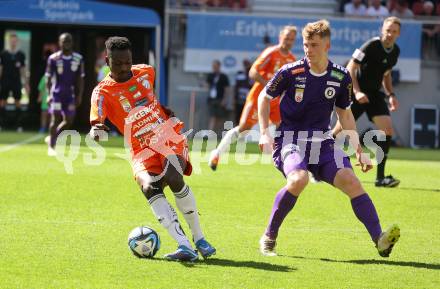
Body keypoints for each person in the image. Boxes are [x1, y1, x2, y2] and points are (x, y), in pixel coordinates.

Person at [257, 20, 400, 258]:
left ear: (327, 45)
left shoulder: (340, 76)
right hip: (290, 139)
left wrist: (359, 150)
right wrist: (263, 132)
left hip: (322, 143)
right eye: (305, 45)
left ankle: (380, 240)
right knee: (298, 179)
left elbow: (345, 114)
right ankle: (269, 236)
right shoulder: (291, 72)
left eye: (314, 45)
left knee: (351, 181)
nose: (308, 50)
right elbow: (264, 97)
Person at [89, 36, 216, 262]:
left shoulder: (147, 71)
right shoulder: (102, 93)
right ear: (106, 60)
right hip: (139, 148)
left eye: (127, 62)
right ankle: (184, 245)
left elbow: (150, 99)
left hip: (167, 134)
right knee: (147, 186)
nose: (124, 68)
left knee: (174, 177)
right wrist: (96, 132)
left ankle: (200, 238)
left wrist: (163, 109)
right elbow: (97, 124)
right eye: (118, 64)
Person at [208, 26, 297, 170]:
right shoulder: (271, 52)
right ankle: (217, 153)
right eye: (287, 38)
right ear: (281, 37)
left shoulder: (292, 59)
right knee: (244, 128)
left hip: (275, 101)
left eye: (292, 39)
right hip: (259, 97)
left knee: (284, 127)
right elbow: (253, 72)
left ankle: (288, 164)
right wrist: (269, 86)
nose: (289, 41)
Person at [332, 16, 402, 187]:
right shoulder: (371, 45)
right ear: (382, 30)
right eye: (387, 30)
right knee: (338, 132)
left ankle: (380, 178)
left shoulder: (395, 51)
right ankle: (317, 168)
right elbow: (351, 67)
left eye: (394, 31)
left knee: (387, 129)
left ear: (398, 34)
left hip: (374, 94)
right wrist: (356, 91)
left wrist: (391, 94)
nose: (390, 34)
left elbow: (386, 74)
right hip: (356, 91)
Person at [46, 33, 84, 156]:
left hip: (70, 94)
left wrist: (79, 95)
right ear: (59, 42)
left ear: (72, 43)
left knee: (69, 121)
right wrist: (48, 94)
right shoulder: (53, 58)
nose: (66, 43)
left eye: (68, 41)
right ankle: (52, 146)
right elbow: (48, 78)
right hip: (57, 93)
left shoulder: (78, 58)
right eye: (64, 41)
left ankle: (52, 136)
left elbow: (80, 78)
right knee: (55, 118)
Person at [0, 33, 29, 132]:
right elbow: (1, 69)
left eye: (15, 40)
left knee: (18, 103)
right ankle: (2, 125)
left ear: (17, 41)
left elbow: (23, 70)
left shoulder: (21, 54)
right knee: (2, 102)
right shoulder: (3, 54)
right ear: (9, 41)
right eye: (11, 40)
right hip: (5, 81)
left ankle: (19, 125)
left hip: (16, 82)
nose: (13, 42)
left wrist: (26, 83)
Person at [206, 59, 230, 135]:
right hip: (212, 99)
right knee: (212, 116)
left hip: (220, 98)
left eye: (215, 66)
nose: (214, 68)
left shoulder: (223, 76)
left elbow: (227, 89)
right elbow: (207, 85)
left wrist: (225, 99)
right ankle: (210, 134)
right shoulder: (210, 75)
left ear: (219, 66)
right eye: (213, 66)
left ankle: (218, 133)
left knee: (220, 117)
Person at [233, 59, 253, 124]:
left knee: (247, 117)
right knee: (238, 117)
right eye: (245, 65)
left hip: (248, 101)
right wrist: (235, 99)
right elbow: (236, 88)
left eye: (247, 65)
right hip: (239, 100)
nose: (246, 67)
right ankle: (237, 131)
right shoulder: (239, 74)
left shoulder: (252, 75)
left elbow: (252, 86)